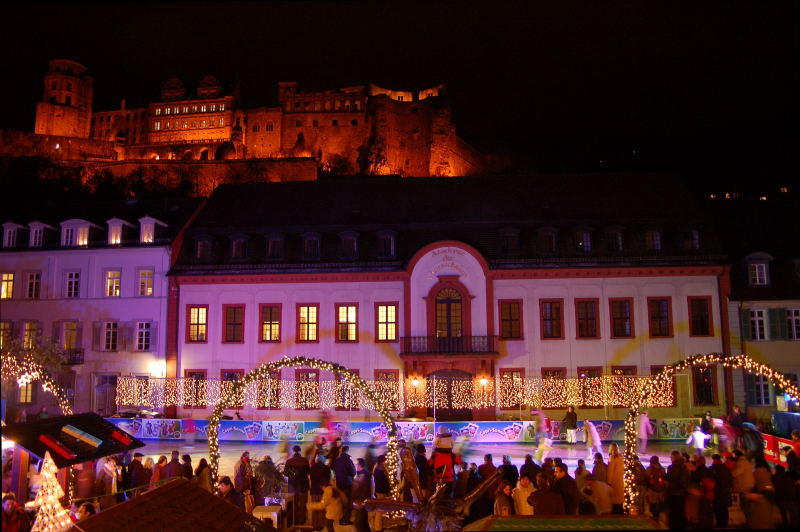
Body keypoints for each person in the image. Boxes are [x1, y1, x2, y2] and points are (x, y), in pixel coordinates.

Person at [429, 432, 463, 499]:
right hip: (449, 481)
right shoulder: (452, 456)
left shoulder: (434, 455)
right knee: (448, 498)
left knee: (437, 499)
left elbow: (429, 465)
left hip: (437, 481)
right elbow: (459, 462)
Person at [285, 445, 311, 525]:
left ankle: (294, 520)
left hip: (293, 487)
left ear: (293, 451)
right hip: (303, 486)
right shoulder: (304, 461)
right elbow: (308, 472)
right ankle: (302, 520)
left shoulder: (289, 461)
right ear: (300, 451)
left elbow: (286, 473)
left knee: (293, 504)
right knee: (303, 504)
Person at [666, 450, 689, 530]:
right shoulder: (684, 467)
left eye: (671, 457)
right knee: (681, 511)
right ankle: (681, 525)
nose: (670, 458)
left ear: (674, 457)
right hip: (682, 493)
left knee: (674, 511)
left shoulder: (672, 468)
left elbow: (670, 479)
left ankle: (674, 525)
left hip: (674, 492)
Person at [333, 445, 356, 525]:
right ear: (347, 451)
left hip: (339, 484)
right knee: (347, 503)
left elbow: (333, 469)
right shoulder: (348, 460)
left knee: (341, 502)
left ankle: (340, 519)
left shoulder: (337, 460)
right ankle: (346, 520)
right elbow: (353, 472)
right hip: (347, 484)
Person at [709, 454, 732, 529]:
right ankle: (725, 525)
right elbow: (730, 480)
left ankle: (720, 525)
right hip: (725, 492)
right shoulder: (726, 468)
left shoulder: (713, 468)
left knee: (718, 510)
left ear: (713, 459)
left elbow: (710, 480)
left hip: (717, 492)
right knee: (724, 509)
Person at [310, 455, 332, 531]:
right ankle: (321, 525)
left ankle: (314, 525)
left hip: (314, 491)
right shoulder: (326, 468)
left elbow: (311, 478)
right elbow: (329, 479)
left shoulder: (312, 467)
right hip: (323, 491)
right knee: (322, 508)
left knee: (315, 508)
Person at [351, 458, 372, 532]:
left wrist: (363, 502)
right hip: (359, 501)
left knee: (359, 522)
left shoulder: (364, 475)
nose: (355, 466)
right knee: (363, 522)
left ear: (360, 465)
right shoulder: (360, 474)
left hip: (361, 502)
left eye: (356, 464)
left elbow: (364, 490)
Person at [645, 455, 667, 521]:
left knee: (653, 504)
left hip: (652, 490)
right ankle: (658, 517)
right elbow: (664, 477)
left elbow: (646, 478)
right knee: (659, 504)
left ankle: (655, 518)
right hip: (660, 490)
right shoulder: (662, 469)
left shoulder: (649, 469)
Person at [606, 443, 624, 514]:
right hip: (620, 481)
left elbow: (610, 472)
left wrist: (609, 482)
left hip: (614, 483)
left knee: (615, 502)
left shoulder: (612, 458)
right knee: (620, 501)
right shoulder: (621, 457)